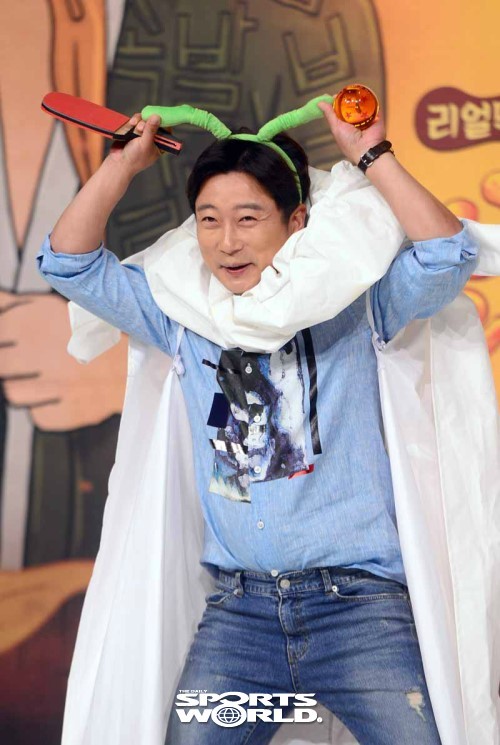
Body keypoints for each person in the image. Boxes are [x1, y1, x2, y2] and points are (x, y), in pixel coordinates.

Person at [36, 102, 478, 745]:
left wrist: (371, 155)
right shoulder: (185, 317)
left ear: (297, 220)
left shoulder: (355, 308)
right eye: (208, 220)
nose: (227, 241)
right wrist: (123, 163)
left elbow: (446, 254)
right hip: (239, 617)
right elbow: (69, 263)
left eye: (248, 218)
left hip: (360, 610)